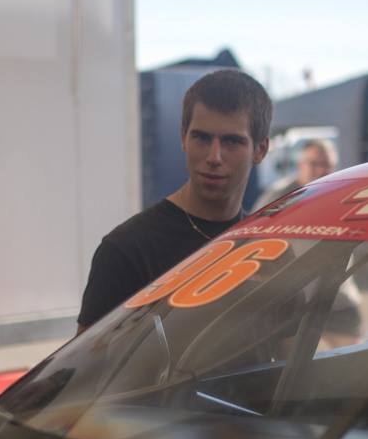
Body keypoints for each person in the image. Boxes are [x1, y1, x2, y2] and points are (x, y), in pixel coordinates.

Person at [77, 69, 272, 331]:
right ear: (183, 138)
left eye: (231, 142)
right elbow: (90, 356)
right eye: (201, 138)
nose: (214, 157)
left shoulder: (269, 247)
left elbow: (288, 349)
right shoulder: (127, 250)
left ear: (260, 150)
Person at [255, 136, 339, 211]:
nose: (321, 170)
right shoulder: (280, 196)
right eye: (315, 164)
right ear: (300, 165)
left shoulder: (338, 195)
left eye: (327, 165)